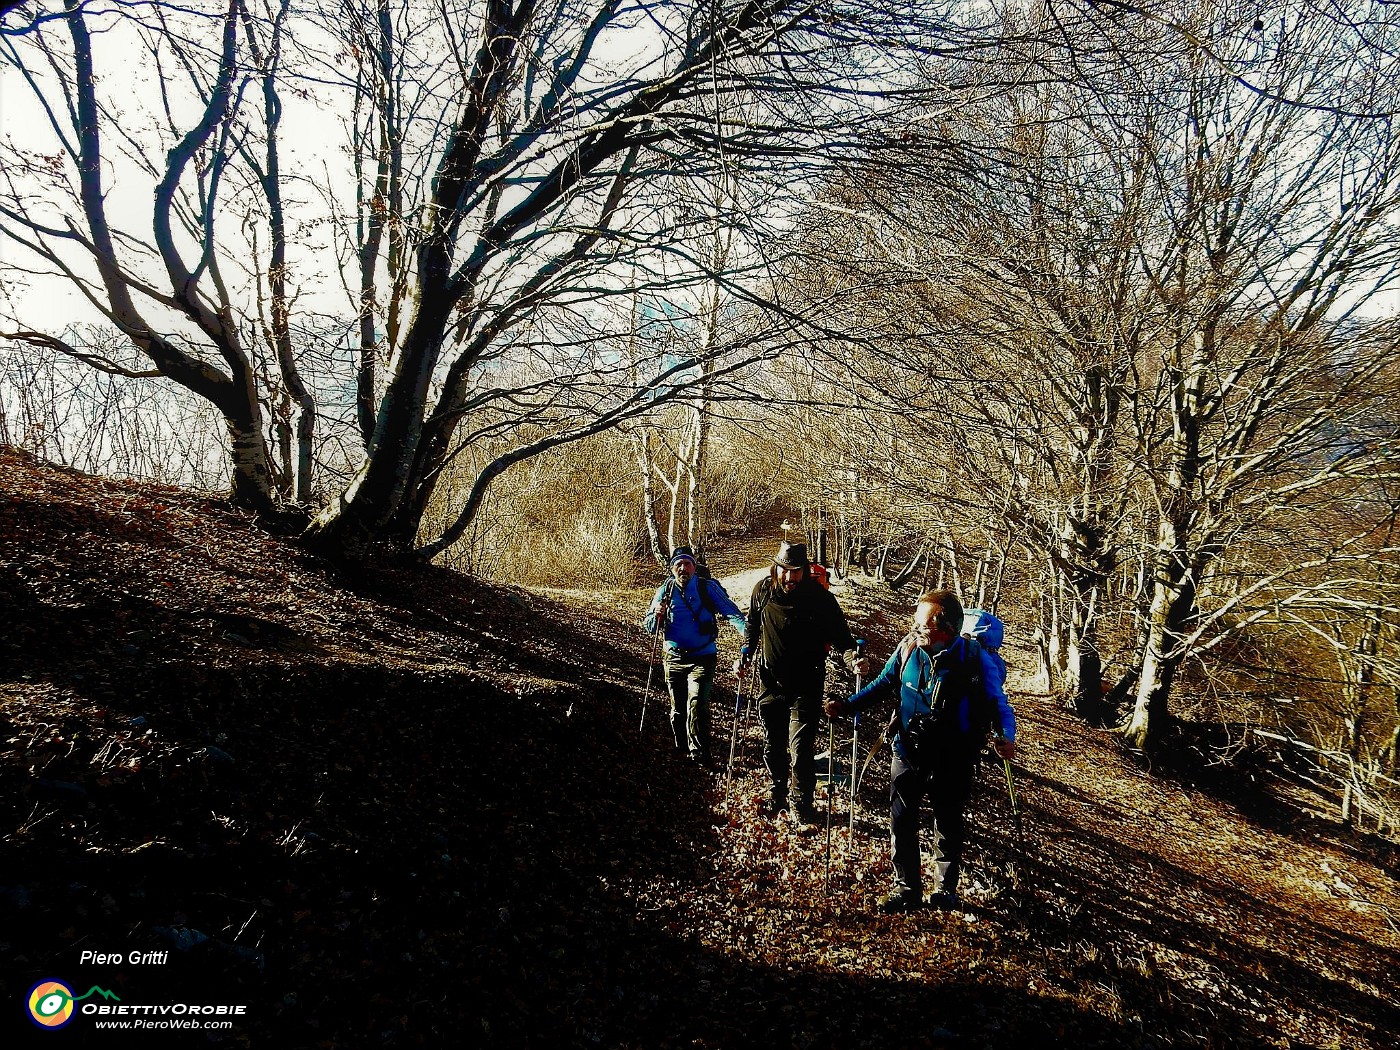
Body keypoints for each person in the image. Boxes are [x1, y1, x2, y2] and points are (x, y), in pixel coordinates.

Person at [825, 589, 1016, 913]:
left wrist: (1005, 736)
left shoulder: (974, 658)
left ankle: (944, 889)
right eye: (915, 624)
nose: (915, 630)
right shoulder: (908, 648)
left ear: (948, 629)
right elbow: (884, 685)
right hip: (908, 749)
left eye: (923, 626)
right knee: (901, 819)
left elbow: (999, 704)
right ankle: (907, 888)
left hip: (954, 756)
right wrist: (845, 706)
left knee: (948, 822)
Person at [735, 541, 869, 824]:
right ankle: (777, 792)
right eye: (784, 570)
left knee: (801, 750)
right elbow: (752, 626)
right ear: (776, 568)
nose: (789, 577)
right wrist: (745, 654)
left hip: (807, 686)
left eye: (795, 571)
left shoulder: (820, 599)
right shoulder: (763, 591)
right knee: (773, 745)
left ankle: (802, 803)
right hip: (770, 683)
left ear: (805, 570)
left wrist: (852, 660)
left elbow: (843, 641)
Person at [642, 546, 747, 765]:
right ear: (672, 569)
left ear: (694, 567)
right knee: (678, 709)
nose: (683, 568)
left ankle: (699, 753)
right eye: (678, 565)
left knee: (697, 704)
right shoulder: (665, 591)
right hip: (673, 657)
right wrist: (657, 615)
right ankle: (681, 750)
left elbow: (732, 613)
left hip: (703, 657)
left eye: (687, 564)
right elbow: (650, 626)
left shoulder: (706, 587)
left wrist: (750, 637)